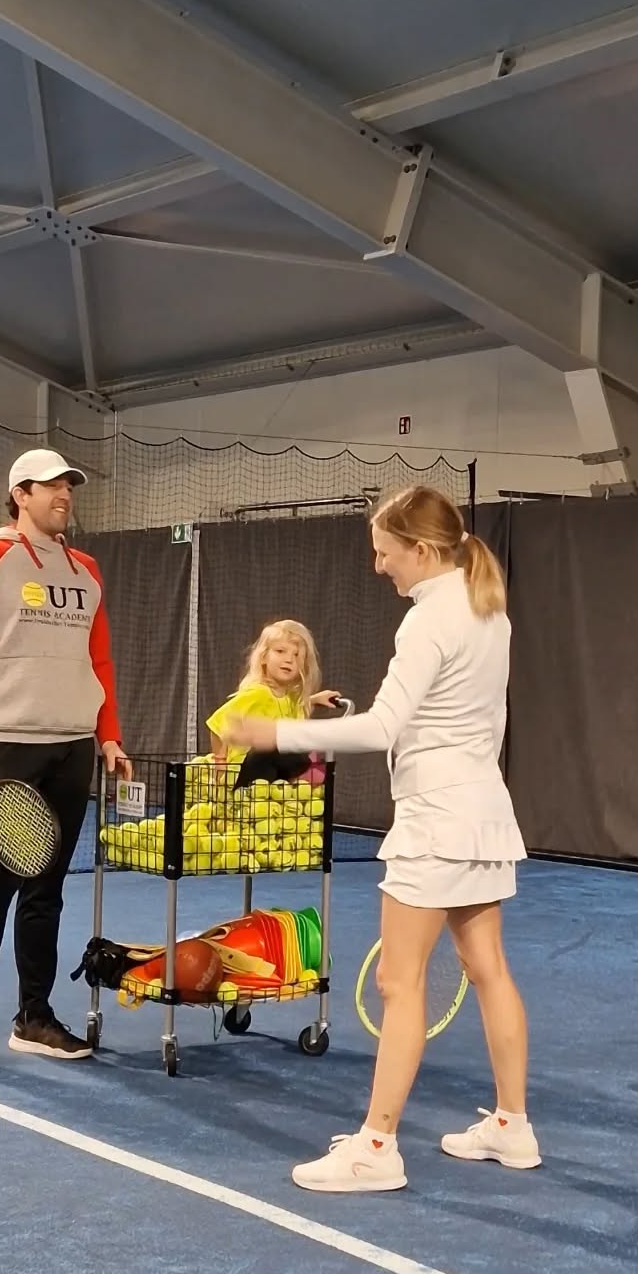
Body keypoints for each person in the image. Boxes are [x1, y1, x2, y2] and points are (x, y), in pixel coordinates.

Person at [222, 485, 535, 1193]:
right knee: (488, 967)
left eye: (385, 553)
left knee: (399, 982)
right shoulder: (490, 610)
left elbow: (379, 728)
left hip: (436, 821)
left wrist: (276, 732)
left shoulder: (429, 621)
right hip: (483, 812)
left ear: (421, 551)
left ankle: (375, 1147)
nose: (378, 566)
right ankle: (513, 1126)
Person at [0, 447, 131, 1073]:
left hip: (72, 747)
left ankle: (34, 1017)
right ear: (20, 493)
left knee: (46, 892)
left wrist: (108, 736)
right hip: (3, 744)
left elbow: (97, 662)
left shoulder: (88, 572)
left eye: (68, 486)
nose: (64, 495)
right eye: (51, 486)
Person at [205, 619, 339, 766]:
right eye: (280, 651)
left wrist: (314, 699)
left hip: (271, 774)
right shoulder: (258, 694)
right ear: (263, 657)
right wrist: (220, 763)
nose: (289, 659)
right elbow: (217, 724)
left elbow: (284, 708)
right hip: (245, 771)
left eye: (296, 655)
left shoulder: (284, 696)